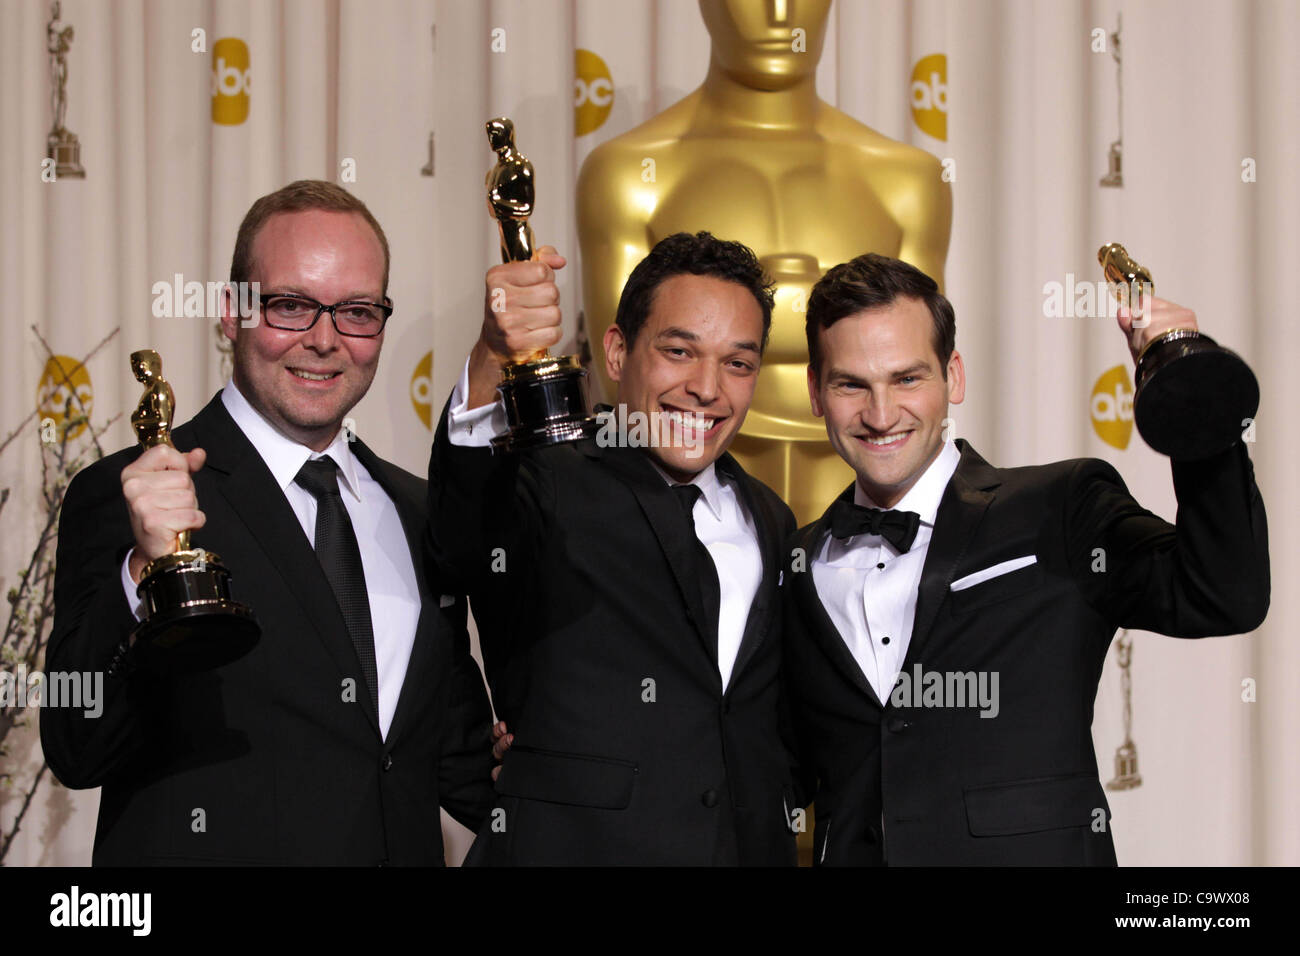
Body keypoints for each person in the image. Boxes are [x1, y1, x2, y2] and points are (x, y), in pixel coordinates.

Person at [42, 180, 495, 866]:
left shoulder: (417, 511)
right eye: (290, 305)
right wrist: (141, 577)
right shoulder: (135, 494)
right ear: (230, 314)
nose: (324, 339)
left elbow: (453, 760)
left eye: (357, 311)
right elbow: (77, 745)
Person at [785, 253, 1269, 865]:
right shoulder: (794, 561)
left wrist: (1193, 390)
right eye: (852, 384)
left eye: (907, 378)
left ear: (953, 377)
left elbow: (1224, 593)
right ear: (814, 392)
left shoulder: (1060, 508)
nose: (881, 415)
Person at [431, 232, 800, 865]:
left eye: (737, 363)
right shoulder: (546, 475)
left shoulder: (771, 516)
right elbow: (461, 532)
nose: (708, 388)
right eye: (679, 351)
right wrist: (496, 353)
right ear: (618, 352)